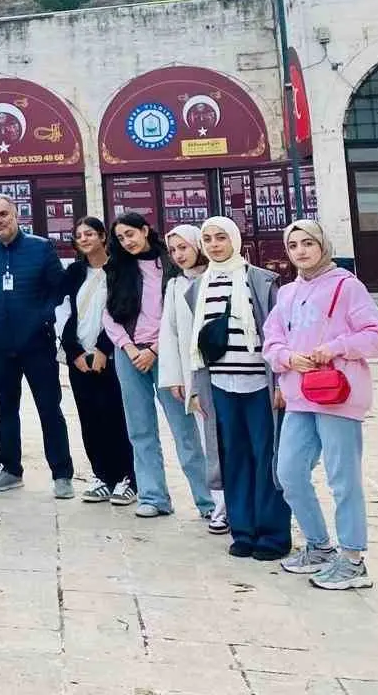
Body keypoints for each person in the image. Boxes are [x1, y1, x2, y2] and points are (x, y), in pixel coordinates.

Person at [264, 219, 378, 591]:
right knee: (288, 473)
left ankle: (352, 559)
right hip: (299, 395)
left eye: (308, 243)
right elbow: (271, 341)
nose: (301, 251)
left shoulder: (346, 286)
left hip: (338, 395)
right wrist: (288, 357)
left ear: (323, 245)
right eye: (293, 245)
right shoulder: (286, 293)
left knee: (343, 479)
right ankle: (319, 545)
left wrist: (334, 348)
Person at [190, 215, 290, 561]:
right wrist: (196, 390)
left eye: (221, 237)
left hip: (260, 385)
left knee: (267, 457)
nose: (215, 245)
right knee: (233, 457)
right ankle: (243, 529)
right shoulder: (197, 288)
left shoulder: (261, 281)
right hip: (220, 386)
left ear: (234, 239)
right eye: (208, 239)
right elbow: (196, 344)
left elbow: (278, 333)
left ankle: (273, 534)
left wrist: (281, 382)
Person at [106, 212, 215, 523]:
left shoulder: (169, 264)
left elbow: (174, 313)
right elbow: (108, 315)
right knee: (140, 430)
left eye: (131, 234)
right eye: (121, 237)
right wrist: (128, 348)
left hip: (166, 354)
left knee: (184, 429)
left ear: (145, 230)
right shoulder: (116, 268)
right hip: (128, 356)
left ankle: (207, 501)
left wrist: (154, 349)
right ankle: (154, 496)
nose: (127, 241)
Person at [0, 195, 75, 498]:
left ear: (16, 215)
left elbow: (58, 287)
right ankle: (11, 469)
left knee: (49, 409)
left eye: (3, 214)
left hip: (37, 344)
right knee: (6, 409)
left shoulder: (40, 248)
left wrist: (42, 316)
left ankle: (62, 474)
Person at [59, 217, 136, 505]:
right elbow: (63, 313)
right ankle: (102, 475)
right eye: (79, 235)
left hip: (112, 356)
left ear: (103, 236)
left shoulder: (119, 270)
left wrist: (104, 349)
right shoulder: (74, 272)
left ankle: (127, 477)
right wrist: (74, 353)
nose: (84, 238)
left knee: (116, 416)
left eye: (90, 233)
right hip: (80, 357)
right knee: (89, 418)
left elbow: (123, 311)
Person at [157, 225, 228, 534]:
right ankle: (219, 506)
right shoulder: (175, 286)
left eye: (184, 247)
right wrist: (175, 377)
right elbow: (169, 333)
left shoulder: (223, 277)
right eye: (173, 250)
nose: (179, 255)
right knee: (208, 442)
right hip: (195, 378)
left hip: (230, 374)